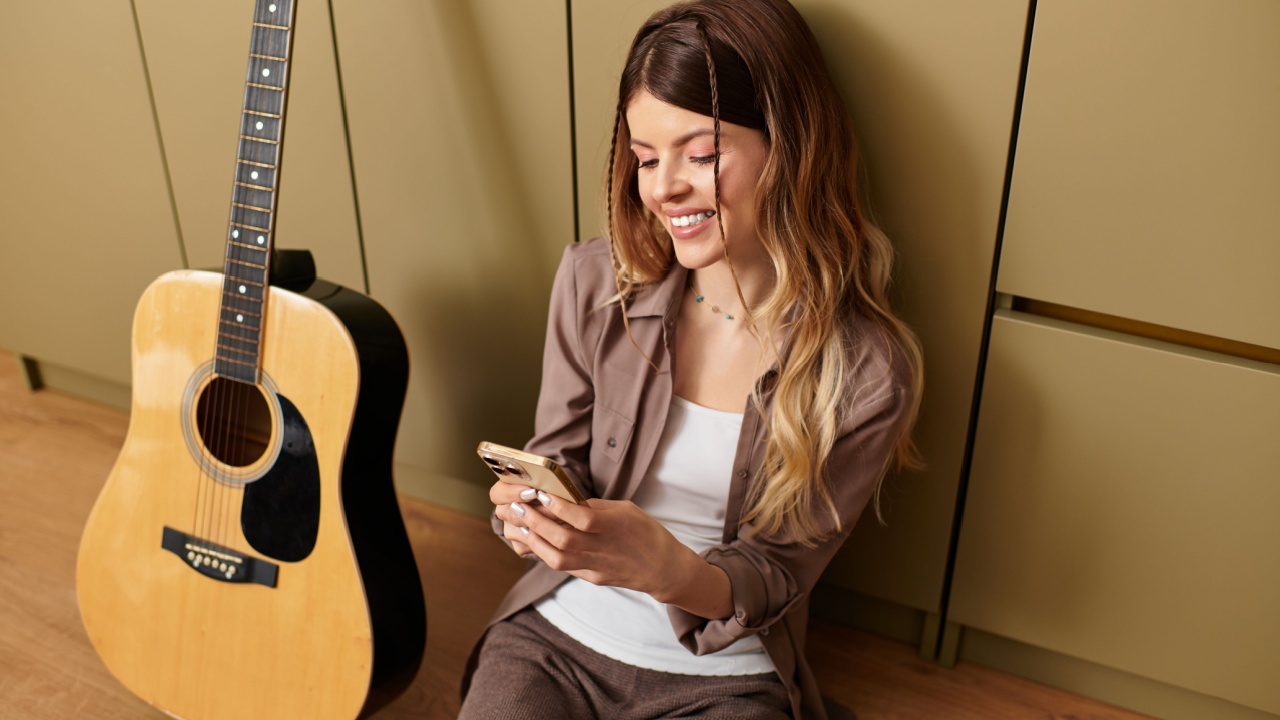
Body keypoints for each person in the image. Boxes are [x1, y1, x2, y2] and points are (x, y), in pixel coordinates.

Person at [459, 0, 922, 717]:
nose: (663, 186)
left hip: (725, 677)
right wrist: (532, 511)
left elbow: (777, 575)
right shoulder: (593, 282)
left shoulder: (865, 371)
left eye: (700, 155)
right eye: (645, 158)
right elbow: (560, 461)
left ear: (790, 145)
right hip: (556, 640)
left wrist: (671, 571)